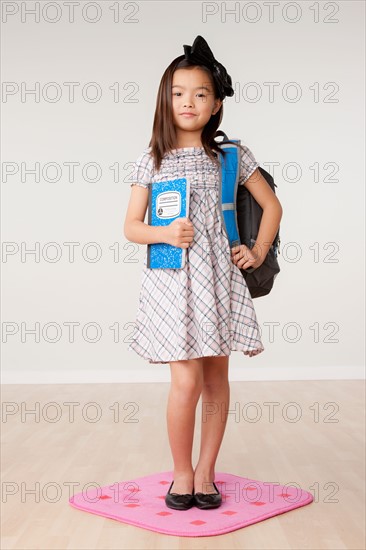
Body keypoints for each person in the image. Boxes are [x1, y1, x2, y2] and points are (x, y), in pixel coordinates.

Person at [124, 36, 283, 511]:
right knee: (186, 382)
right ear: (164, 99)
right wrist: (165, 234)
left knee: (216, 380)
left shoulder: (231, 157)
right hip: (172, 284)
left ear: (215, 104)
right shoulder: (151, 160)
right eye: (177, 92)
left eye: (199, 93)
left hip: (218, 280)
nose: (187, 102)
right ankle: (181, 473)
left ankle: (207, 472)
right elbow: (131, 227)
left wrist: (255, 251)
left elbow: (272, 205)